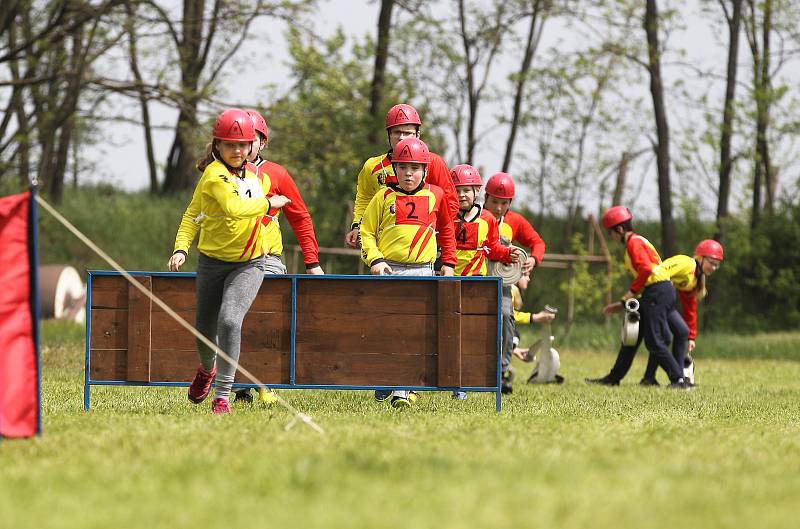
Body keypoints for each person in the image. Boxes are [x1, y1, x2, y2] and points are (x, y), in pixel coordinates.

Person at [167, 108, 290, 414]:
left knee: (230, 320)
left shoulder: (254, 178)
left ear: (252, 146)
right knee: (204, 330)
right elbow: (214, 212)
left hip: (250, 263)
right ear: (217, 146)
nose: (237, 151)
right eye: (230, 145)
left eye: (243, 145)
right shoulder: (213, 176)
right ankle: (207, 370)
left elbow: (251, 215)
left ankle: (223, 395)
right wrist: (181, 247)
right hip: (212, 262)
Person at [231, 109, 324, 404]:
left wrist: (312, 262)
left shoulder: (278, 174)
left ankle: (267, 381)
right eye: (240, 139)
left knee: (269, 320)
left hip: (267, 258)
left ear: (262, 143)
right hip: (232, 258)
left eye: (252, 139)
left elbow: (301, 218)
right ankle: (241, 384)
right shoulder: (222, 173)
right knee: (235, 320)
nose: (245, 145)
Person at [359, 137, 456, 409]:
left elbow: (447, 231)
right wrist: (375, 260)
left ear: (425, 170)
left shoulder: (436, 195)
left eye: (414, 168)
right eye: (402, 167)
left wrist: (448, 263)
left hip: (422, 272)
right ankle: (385, 378)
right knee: (385, 330)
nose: (408, 173)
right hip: (388, 272)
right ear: (395, 169)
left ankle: (402, 390)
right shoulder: (383, 196)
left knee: (414, 333)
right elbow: (366, 232)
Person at [585, 206, 689, 388]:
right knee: (632, 336)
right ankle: (614, 377)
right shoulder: (637, 241)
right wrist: (623, 303)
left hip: (657, 291)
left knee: (654, 341)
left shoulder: (634, 243)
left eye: (611, 233)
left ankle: (678, 379)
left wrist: (629, 294)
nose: (611, 237)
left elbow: (646, 269)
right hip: (656, 292)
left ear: (619, 229)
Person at [345, 103, 458, 249]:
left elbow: (450, 204)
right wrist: (357, 226)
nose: (401, 137)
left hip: (424, 249)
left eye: (407, 133)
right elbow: (364, 199)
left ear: (418, 135)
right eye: (396, 132)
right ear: (388, 135)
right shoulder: (372, 166)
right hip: (383, 247)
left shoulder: (434, 162)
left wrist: (436, 236)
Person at [482, 171, 546, 393]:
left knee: (506, 316)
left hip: (501, 284)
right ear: (485, 199)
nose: (499, 208)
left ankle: (501, 372)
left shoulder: (514, 221)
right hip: (474, 279)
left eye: (504, 203)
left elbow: (537, 242)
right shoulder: (475, 217)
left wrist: (533, 260)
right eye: (494, 202)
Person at [638, 239, 725, 385]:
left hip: (665, 303)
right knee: (664, 338)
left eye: (717, 265)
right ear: (700, 257)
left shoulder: (696, 279)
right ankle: (671, 378)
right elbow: (661, 269)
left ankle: (659, 378)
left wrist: (691, 337)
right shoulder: (687, 264)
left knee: (682, 331)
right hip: (655, 297)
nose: (714, 267)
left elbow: (690, 308)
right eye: (712, 262)